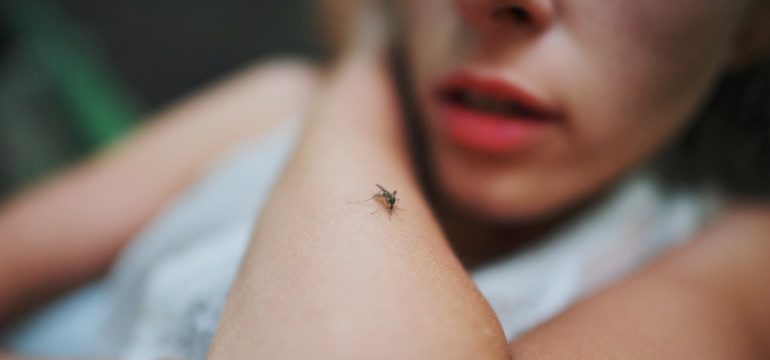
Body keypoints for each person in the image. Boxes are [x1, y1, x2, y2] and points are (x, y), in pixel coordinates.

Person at [2, 0, 770, 358]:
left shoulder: (735, 261)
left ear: (751, 26)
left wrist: (365, 59)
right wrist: (369, 57)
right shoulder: (269, 110)